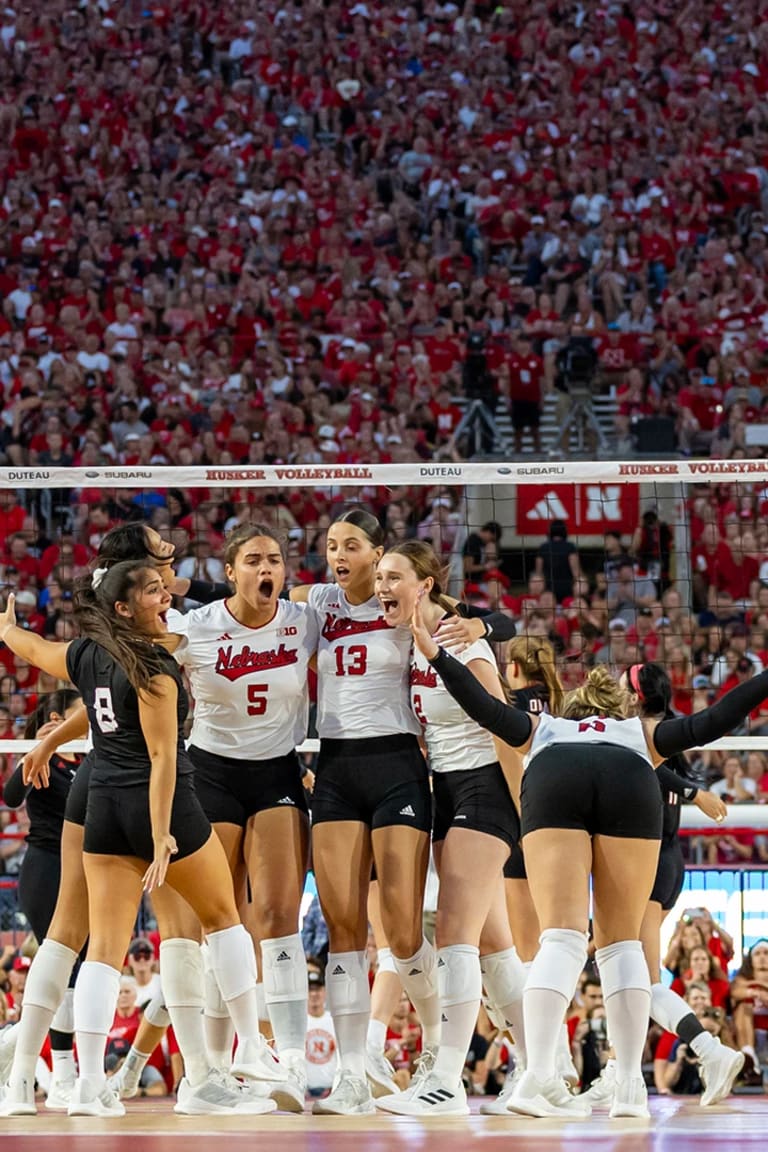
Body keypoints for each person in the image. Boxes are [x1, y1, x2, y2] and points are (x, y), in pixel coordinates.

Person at [409, 608, 768, 1119]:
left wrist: (436, 655)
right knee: (621, 945)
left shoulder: (547, 726)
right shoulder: (638, 732)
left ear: (575, 707)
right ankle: (628, 1088)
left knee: (561, 939)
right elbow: (714, 720)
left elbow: (485, 708)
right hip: (630, 777)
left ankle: (537, 1079)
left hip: (555, 774)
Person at [0, 523, 269, 1118]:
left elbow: (59, 669)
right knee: (207, 922)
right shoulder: (159, 658)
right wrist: (162, 833)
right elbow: (162, 755)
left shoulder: (95, 643)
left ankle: (42, 1079)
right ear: (134, 587)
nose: (171, 572)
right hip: (149, 794)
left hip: (96, 794)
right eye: (160, 567)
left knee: (82, 943)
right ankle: (234, 1056)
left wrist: (9, 633)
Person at [162, 523, 318, 1111]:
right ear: (230, 572)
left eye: (274, 559)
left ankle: (293, 1060)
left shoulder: (303, 620)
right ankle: (215, 1067)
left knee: (279, 914)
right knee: (221, 922)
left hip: (277, 770)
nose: (265, 568)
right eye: (253, 560)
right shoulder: (194, 626)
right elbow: (128, 657)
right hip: (212, 773)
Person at [290, 508, 437, 1116]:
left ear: (380, 555)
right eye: (331, 545)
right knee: (343, 928)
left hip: (399, 763)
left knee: (402, 931)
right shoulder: (319, 600)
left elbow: (481, 623)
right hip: (336, 767)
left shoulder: (404, 602)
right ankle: (353, 1073)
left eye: (352, 544)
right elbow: (243, 594)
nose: (339, 554)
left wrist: (478, 623)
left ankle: (439, 1047)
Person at [372, 541, 528, 1116]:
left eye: (393, 577)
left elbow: (507, 730)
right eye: (380, 577)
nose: (382, 586)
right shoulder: (417, 641)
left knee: (457, 935)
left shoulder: (467, 645)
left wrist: (524, 816)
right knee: (493, 945)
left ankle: (446, 1081)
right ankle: (545, 1072)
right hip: (446, 791)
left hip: (485, 789)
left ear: (426, 586)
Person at [584, 662, 744, 1110]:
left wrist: (695, 794)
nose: (613, 692)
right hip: (665, 862)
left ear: (635, 697)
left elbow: (651, 771)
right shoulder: (666, 736)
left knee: (638, 977)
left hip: (649, 865)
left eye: (620, 687)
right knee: (624, 971)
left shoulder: (641, 737)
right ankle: (622, 1070)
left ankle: (710, 1052)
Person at [1, 690, 83, 1110]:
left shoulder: (89, 760)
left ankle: (22, 1061)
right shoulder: (44, 760)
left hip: (84, 873)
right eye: (79, 713)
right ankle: (59, 1077)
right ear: (56, 718)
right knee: (63, 971)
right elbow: (12, 796)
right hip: (46, 868)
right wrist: (40, 747)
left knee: (80, 973)